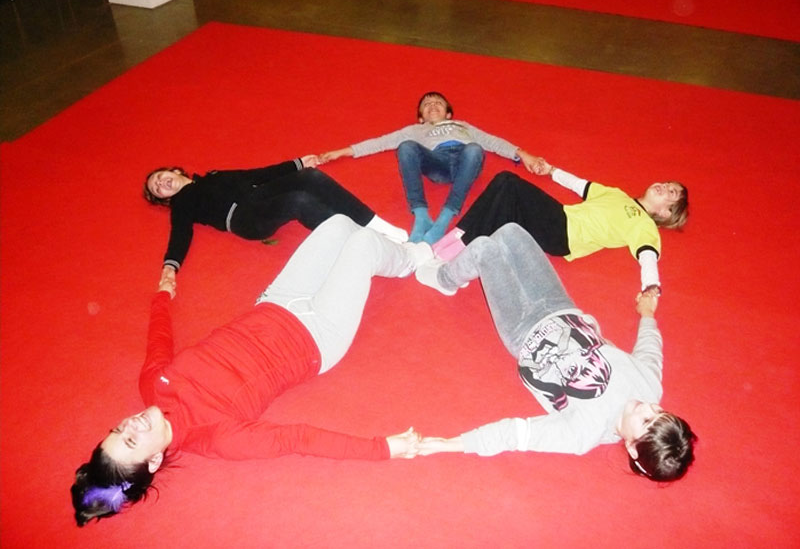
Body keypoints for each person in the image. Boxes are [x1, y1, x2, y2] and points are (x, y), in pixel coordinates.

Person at [71, 215, 432, 526]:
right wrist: (383, 449)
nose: (130, 424)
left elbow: (159, 341)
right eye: (130, 440)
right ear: (153, 460)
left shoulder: (153, 384)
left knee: (338, 225)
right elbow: (298, 439)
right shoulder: (217, 437)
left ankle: (391, 253)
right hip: (318, 336)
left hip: (276, 302)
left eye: (118, 430)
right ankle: (413, 259)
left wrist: (162, 296)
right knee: (364, 244)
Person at [415, 223, 696, 482]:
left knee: (484, 249)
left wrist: (450, 444)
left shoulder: (584, 431)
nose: (648, 406)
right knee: (510, 232)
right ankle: (462, 267)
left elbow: (517, 433)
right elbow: (650, 350)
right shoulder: (649, 387)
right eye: (659, 411)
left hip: (522, 330)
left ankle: (444, 278)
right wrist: (647, 314)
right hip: (561, 306)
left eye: (646, 420)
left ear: (633, 448)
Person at [432, 157, 689, 294]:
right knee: (503, 199)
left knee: (508, 182)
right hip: (559, 217)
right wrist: (552, 171)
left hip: (564, 234)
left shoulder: (644, 225)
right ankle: (457, 247)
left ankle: (456, 248)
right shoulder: (617, 195)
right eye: (668, 183)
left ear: (666, 213)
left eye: (671, 193)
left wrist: (651, 287)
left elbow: (647, 256)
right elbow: (580, 185)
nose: (665, 186)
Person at [144, 156, 408, 287]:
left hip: (258, 194)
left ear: (172, 170)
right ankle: (367, 244)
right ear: (164, 199)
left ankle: (377, 225)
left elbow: (254, 175)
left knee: (311, 177)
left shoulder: (212, 176)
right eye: (158, 189)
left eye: (159, 178)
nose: (162, 184)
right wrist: (170, 266)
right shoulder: (182, 202)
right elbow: (180, 232)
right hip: (243, 218)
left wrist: (297, 164)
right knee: (299, 201)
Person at [318, 92, 536, 244]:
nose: (432, 105)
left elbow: (493, 141)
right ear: (421, 117)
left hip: (466, 161)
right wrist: (343, 151)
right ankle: (421, 215)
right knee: (405, 146)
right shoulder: (415, 130)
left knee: (475, 149)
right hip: (437, 163)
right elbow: (381, 141)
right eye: (427, 104)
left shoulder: (463, 126)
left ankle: (445, 217)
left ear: (449, 114)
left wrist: (523, 154)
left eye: (438, 103)